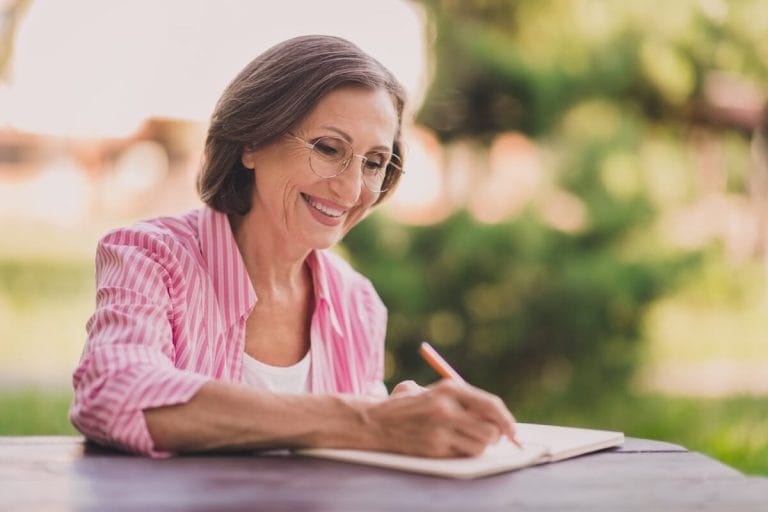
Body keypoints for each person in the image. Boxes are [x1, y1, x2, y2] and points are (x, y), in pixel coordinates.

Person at [70, 35, 517, 458]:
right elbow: (112, 392)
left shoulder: (358, 304)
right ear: (252, 141)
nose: (350, 187)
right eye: (328, 148)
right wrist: (368, 421)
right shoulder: (151, 257)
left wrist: (399, 419)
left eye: (375, 163)